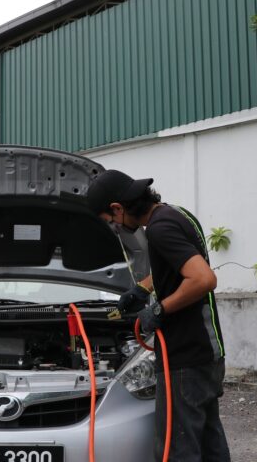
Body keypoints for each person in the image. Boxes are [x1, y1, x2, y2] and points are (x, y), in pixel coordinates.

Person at [87, 169, 230, 462]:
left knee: (178, 449)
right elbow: (180, 265)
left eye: (111, 221)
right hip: (207, 352)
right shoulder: (177, 214)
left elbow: (203, 279)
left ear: (118, 208)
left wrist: (159, 308)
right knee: (209, 442)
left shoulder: (159, 229)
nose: (115, 227)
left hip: (184, 357)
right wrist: (143, 288)